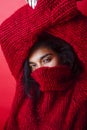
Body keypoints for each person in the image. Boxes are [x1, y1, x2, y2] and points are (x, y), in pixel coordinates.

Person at [0, 0, 87, 130]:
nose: (40, 70)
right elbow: (5, 35)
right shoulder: (26, 87)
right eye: (33, 65)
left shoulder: (82, 89)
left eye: (46, 60)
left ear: (63, 56)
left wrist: (48, 3)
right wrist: (40, 13)